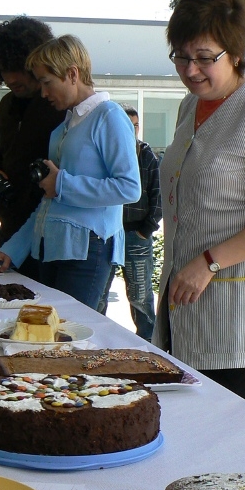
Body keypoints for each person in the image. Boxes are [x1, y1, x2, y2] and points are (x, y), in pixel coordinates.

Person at [152, 0, 245, 406]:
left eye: (204, 57)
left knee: (226, 441)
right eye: (180, 55)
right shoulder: (189, 107)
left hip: (234, 312)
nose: (190, 69)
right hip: (179, 302)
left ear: (233, 51)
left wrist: (210, 262)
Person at [0, 35, 140, 310]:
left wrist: (63, 184)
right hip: (52, 248)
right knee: (51, 332)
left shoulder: (109, 116)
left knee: (69, 334)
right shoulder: (67, 125)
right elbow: (49, 201)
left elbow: (129, 188)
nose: (42, 93)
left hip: (88, 249)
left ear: (72, 74)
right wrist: (13, 249)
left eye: (46, 83)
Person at [0, 16, 66, 278]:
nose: (8, 78)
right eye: (2, 70)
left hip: (49, 232)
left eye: (15, 68)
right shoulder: (6, 105)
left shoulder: (58, 107)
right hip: (9, 228)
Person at [101, 104, 162, 340]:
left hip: (136, 234)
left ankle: (149, 344)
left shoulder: (146, 156)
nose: (133, 131)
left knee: (140, 296)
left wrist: (146, 230)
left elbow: (159, 197)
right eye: (128, 126)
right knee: (99, 294)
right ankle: (96, 343)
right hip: (107, 234)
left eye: (136, 126)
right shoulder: (105, 154)